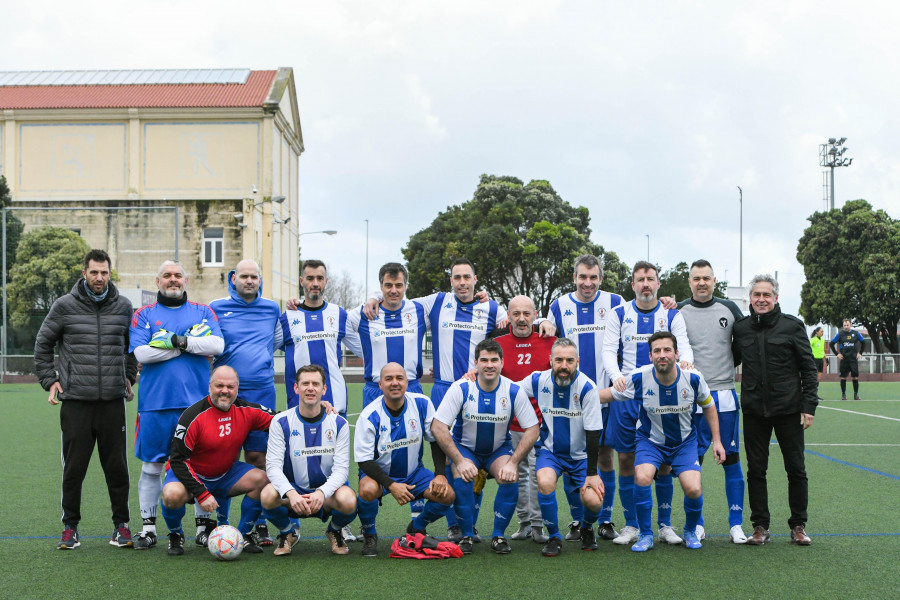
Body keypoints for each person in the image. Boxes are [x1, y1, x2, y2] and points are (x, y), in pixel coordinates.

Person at [365, 257, 508, 542]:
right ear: (450, 280)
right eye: (457, 278)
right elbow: (398, 299)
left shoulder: (491, 308)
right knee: (452, 458)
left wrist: (505, 310)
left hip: (477, 392)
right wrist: (373, 297)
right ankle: (457, 525)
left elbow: (515, 324)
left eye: (467, 277)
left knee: (473, 461)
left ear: (476, 279)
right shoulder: (436, 302)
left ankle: (469, 522)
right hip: (444, 390)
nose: (462, 283)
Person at [34, 249, 137, 550]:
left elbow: (133, 348)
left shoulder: (124, 307)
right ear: (84, 273)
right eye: (94, 272)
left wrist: (129, 378)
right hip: (76, 402)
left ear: (110, 273)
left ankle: (121, 527)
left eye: (104, 272)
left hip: (112, 404)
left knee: (117, 468)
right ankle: (70, 528)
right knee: (74, 468)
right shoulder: (64, 306)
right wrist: (49, 380)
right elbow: (42, 344)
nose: (99, 277)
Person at [596, 332, 725, 552]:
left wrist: (717, 441)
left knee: (693, 488)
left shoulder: (693, 378)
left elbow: (709, 406)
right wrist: (577, 397)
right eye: (657, 351)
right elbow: (607, 395)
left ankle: (690, 531)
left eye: (667, 350)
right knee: (643, 476)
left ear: (676, 353)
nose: (662, 355)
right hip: (650, 441)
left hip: (684, 443)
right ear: (650, 355)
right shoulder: (639, 377)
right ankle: (645, 534)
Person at [129, 260, 225, 550]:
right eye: (167, 276)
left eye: (178, 275)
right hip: (155, 405)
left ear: (186, 280)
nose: (173, 280)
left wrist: (171, 341)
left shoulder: (203, 311)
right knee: (152, 466)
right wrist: (189, 343)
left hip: (196, 407)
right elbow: (142, 354)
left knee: (197, 466)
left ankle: (203, 528)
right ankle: (148, 528)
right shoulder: (143, 314)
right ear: (157, 281)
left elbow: (217, 346)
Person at [601, 260, 693, 546]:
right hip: (629, 394)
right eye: (640, 280)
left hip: (663, 393)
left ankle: (665, 524)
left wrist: (687, 361)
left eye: (650, 279)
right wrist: (616, 376)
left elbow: (684, 343)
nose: (645, 284)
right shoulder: (619, 313)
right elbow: (608, 349)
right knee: (626, 458)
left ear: (657, 284)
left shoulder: (670, 313)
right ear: (632, 285)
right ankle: (632, 525)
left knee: (663, 462)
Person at [540, 254, 624, 542]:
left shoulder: (616, 303)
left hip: (606, 396)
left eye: (593, 277)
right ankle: (578, 520)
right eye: (582, 277)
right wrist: (544, 322)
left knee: (605, 455)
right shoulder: (559, 306)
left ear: (600, 278)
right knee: (571, 454)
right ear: (574, 277)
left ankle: (606, 519)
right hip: (570, 400)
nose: (588, 283)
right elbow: (548, 338)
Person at [431, 339, 540, 555]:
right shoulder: (461, 387)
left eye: (494, 360)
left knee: (510, 477)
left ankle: (498, 536)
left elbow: (533, 429)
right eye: (484, 360)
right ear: (476, 363)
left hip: (498, 450)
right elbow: (438, 426)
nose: (489, 365)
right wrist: (459, 461)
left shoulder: (513, 390)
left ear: (502, 363)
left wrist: (513, 462)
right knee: (463, 479)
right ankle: (466, 536)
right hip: (465, 448)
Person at [733, 274, 817, 546]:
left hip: (789, 410)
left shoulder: (793, 326)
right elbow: (729, 358)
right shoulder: (741, 328)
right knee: (756, 470)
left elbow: (808, 368)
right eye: (756, 295)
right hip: (755, 411)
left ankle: (798, 526)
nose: (761, 299)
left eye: (766, 295)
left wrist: (809, 406)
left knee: (796, 469)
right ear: (750, 298)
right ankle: (760, 527)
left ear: (776, 298)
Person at [160, 366, 275, 555]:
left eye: (230, 386)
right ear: (209, 386)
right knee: (171, 494)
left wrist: (318, 410)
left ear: (237, 388)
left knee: (263, 480)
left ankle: (243, 534)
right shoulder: (192, 416)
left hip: (225, 474)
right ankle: (175, 534)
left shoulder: (246, 410)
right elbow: (178, 460)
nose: (225, 391)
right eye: (219, 385)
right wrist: (201, 493)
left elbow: (282, 421)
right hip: (193, 474)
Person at [210, 259, 282, 543]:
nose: (249, 281)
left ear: (260, 280)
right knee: (222, 458)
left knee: (257, 458)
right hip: (226, 394)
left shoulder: (271, 308)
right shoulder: (216, 307)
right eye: (244, 276)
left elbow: (277, 339)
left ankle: (256, 523)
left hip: (262, 392)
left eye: (254, 276)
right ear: (233, 278)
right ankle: (221, 521)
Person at [676, 259, 747, 543]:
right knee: (692, 462)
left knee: (731, 459)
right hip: (689, 396)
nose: (702, 282)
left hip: (724, 393)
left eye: (707, 278)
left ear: (714, 281)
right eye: (696, 278)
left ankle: (736, 524)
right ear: (690, 282)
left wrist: (727, 368)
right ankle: (697, 524)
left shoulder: (729, 309)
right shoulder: (678, 310)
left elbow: (742, 344)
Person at [354, 363, 455, 557]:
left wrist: (440, 474)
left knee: (447, 495)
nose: (395, 383)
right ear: (380, 385)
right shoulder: (369, 415)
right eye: (389, 379)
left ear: (407, 382)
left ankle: (417, 526)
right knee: (367, 490)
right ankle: (369, 533)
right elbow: (364, 460)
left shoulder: (422, 404)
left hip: (414, 473)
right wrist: (391, 485)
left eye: (399, 378)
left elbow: (436, 441)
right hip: (379, 475)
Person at [516, 338, 605, 556]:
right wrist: (475, 377)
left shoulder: (587, 387)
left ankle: (586, 527)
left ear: (577, 362)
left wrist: (592, 473)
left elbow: (594, 433)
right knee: (544, 482)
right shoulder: (538, 380)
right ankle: (554, 536)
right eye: (559, 360)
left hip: (582, 455)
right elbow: (509, 390)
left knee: (593, 501)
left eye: (569, 360)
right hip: (551, 452)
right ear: (550, 360)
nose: (564, 366)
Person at [260, 364, 358, 557]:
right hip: (294, 493)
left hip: (326, 495)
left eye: (315, 383)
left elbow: (341, 470)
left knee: (349, 499)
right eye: (305, 383)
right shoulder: (281, 422)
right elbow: (272, 467)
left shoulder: (339, 423)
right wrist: (291, 493)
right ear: (296, 388)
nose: (310, 388)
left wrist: (321, 493)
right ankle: (288, 533)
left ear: (324, 389)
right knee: (267, 495)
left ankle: (334, 530)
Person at [492, 295, 554, 543]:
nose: (521, 319)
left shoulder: (548, 341)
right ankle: (524, 522)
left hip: (541, 423)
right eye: (515, 313)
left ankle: (539, 525)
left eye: (526, 313)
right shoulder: (497, 344)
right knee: (515, 474)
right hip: (509, 423)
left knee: (539, 473)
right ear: (508, 315)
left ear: (535, 314)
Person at [281, 259, 362, 416]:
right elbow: (265, 348)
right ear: (301, 281)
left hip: (335, 403)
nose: (315, 283)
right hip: (298, 403)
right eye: (310, 278)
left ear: (326, 281)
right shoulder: (288, 317)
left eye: (320, 278)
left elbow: (364, 349)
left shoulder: (338, 314)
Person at [347, 262, 429, 407]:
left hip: (411, 389)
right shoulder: (364, 313)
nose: (393, 290)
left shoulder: (419, 310)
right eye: (388, 285)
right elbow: (335, 322)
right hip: (376, 390)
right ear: (381, 287)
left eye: (398, 285)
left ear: (405, 286)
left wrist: (482, 299)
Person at [830, 319, 865, 400]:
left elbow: (863, 342)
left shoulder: (856, 333)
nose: (846, 327)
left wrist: (860, 353)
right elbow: (831, 344)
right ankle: (843, 395)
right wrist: (837, 354)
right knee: (843, 377)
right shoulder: (840, 334)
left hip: (853, 359)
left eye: (847, 325)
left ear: (851, 325)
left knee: (855, 377)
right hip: (844, 360)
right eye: (844, 325)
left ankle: (856, 395)